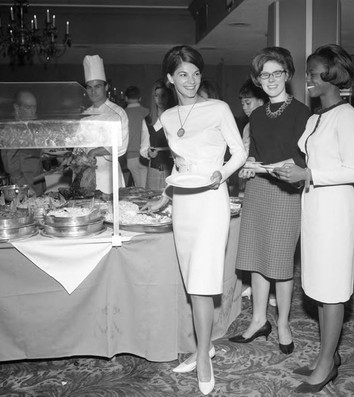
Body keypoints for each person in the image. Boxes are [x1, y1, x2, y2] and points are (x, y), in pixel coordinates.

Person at [142, 45, 246, 395]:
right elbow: (179, 164)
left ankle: (203, 355)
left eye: (196, 73)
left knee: (202, 282)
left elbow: (240, 151)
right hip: (183, 203)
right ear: (170, 79)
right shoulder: (168, 118)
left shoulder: (218, 108)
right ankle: (205, 345)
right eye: (183, 74)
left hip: (211, 199)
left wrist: (222, 173)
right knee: (191, 281)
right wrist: (165, 194)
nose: (190, 80)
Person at [273, 44, 354, 393]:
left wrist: (307, 173)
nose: (306, 79)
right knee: (319, 286)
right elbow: (309, 163)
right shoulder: (315, 118)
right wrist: (290, 172)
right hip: (313, 207)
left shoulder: (348, 117)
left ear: (331, 75)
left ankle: (326, 364)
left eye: (312, 73)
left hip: (336, 210)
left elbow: (353, 170)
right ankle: (329, 355)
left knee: (333, 289)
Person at [229, 47, 311, 360]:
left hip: (287, 193)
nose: (272, 79)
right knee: (256, 258)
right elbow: (257, 153)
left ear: (288, 75)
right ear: (258, 80)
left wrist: (262, 165)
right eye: (265, 74)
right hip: (259, 191)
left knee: (279, 262)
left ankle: (284, 324)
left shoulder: (302, 113)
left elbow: (300, 160)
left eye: (278, 73)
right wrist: (250, 162)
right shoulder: (257, 115)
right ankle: (258, 320)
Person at [82, 55, 129, 194]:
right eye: (89, 87)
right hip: (85, 173)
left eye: (97, 86)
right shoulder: (84, 115)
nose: (93, 91)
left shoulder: (117, 112)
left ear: (106, 87)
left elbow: (121, 146)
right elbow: (79, 144)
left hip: (108, 174)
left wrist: (94, 151)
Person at [1, 90, 45, 196]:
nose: (33, 111)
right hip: (25, 186)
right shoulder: (10, 130)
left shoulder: (32, 126)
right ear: (17, 108)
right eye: (28, 107)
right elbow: (10, 166)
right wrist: (25, 188)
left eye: (35, 107)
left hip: (38, 182)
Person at [140, 79, 175, 190]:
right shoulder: (148, 120)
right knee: (153, 201)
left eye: (163, 95)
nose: (160, 99)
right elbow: (144, 148)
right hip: (154, 170)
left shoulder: (175, 118)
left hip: (173, 170)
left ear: (169, 96)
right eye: (156, 96)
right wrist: (149, 153)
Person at [124, 85, 150, 188]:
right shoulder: (147, 112)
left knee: (138, 188)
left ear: (126, 98)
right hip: (146, 155)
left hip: (130, 157)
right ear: (140, 98)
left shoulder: (123, 114)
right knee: (148, 188)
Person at [238, 78, 268, 154]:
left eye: (248, 103)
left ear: (261, 102)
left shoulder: (269, 125)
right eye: (242, 103)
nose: (244, 107)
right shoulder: (247, 127)